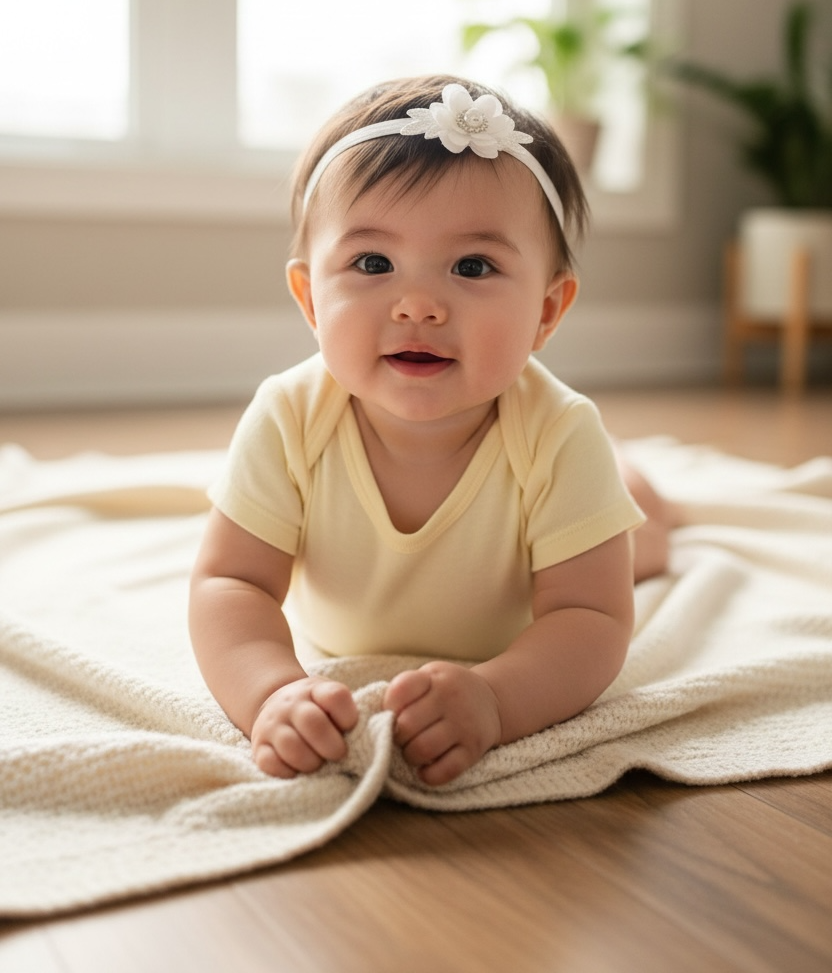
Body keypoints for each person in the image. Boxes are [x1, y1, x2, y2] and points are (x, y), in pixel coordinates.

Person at [189, 74, 670, 789]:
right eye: (372, 263)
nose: (418, 305)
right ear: (310, 298)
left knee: (648, 545)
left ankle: (636, 490)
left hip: (543, 537)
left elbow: (593, 618)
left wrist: (497, 697)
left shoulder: (560, 432)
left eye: (472, 266)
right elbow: (230, 582)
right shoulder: (289, 416)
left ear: (547, 311)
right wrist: (270, 694)